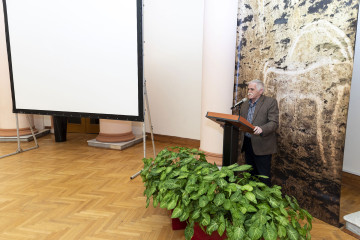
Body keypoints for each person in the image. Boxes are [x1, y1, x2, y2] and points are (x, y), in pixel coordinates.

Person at [239, 79, 279, 186]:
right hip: (247, 144)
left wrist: (262, 129)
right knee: (251, 175)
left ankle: (265, 200)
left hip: (262, 145)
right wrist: (227, 125)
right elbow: (241, 122)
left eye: (252, 89)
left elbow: (274, 123)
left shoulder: (270, 102)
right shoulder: (245, 104)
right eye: (248, 89)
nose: (249, 91)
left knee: (263, 176)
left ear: (260, 91)